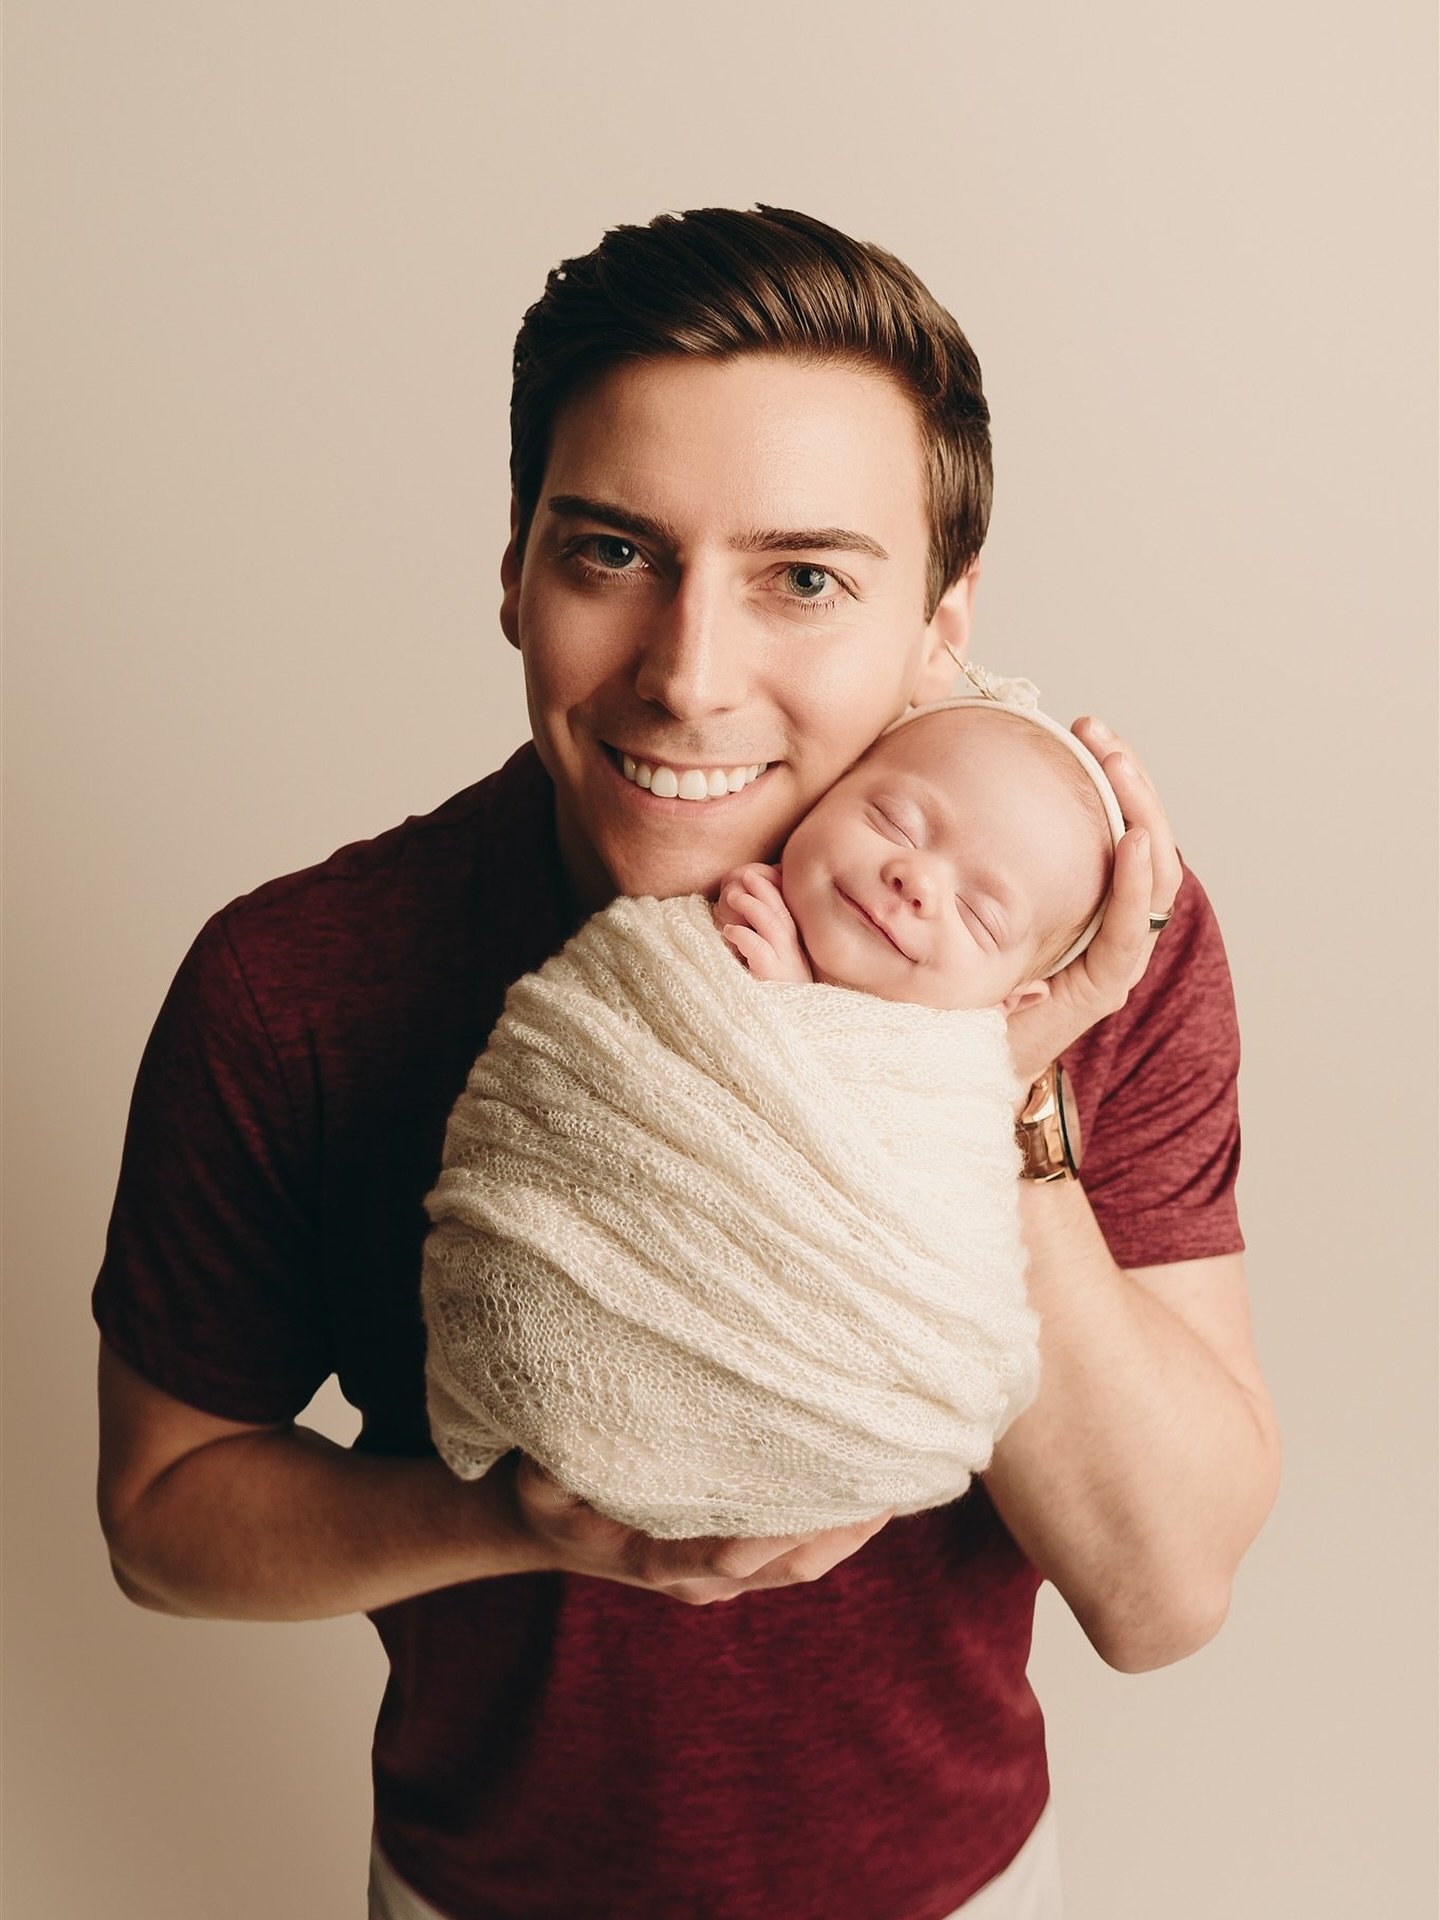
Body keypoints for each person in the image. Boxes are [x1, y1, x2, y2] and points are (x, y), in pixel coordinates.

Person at [93, 206, 1280, 1920]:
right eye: (611, 554)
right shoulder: (298, 985)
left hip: (958, 1891)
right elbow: (162, 1518)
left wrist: (982, 1073)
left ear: (945, 624)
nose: (688, 676)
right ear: (514, 568)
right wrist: (541, 1528)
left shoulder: (1084, 939)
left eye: (804, 577)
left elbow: (1160, 1598)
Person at [421, 686, 1123, 1546]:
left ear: (1013, 999)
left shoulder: (957, 1080)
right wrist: (770, 1009)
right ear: (825, 795)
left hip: (818, 1398)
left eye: (980, 913)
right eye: (896, 822)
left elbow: (945, 1255)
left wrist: (801, 1015)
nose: (915, 879)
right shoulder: (709, 926)